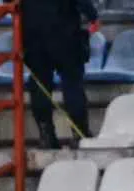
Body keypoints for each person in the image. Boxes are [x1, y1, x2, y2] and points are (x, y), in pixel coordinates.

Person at [22, 0, 98, 148]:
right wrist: (92, 15)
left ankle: (46, 136)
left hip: (32, 33)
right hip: (64, 29)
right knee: (72, 83)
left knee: (39, 85)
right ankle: (80, 134)